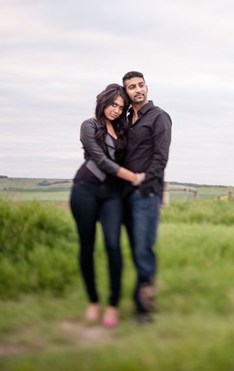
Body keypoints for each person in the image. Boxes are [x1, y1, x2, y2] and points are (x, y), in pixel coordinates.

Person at [69, 83, 145, 328]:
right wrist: (133, 177)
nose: (115, 110)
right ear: (103, 101)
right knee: (87, 247)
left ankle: (112, 304)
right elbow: (100, 161)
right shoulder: (88, 126)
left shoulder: (122, 129)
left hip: (112, 195)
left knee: (113, 246)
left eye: (120, 107)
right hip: (85, 191)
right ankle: (93, 301)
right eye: (113, 104)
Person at [121, 71, 172, 324]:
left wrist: (144, 185)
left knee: (143, 249)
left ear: (147, 88)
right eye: (132, 87)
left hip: (146, 194)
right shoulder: (127, 119)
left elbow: (160, 158)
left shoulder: (159, 117)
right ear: (126, 92)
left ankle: (144, 308)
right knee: (134, 249)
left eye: (141, 85)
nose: (137, 90)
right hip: (125, 195)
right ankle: (137, 300)